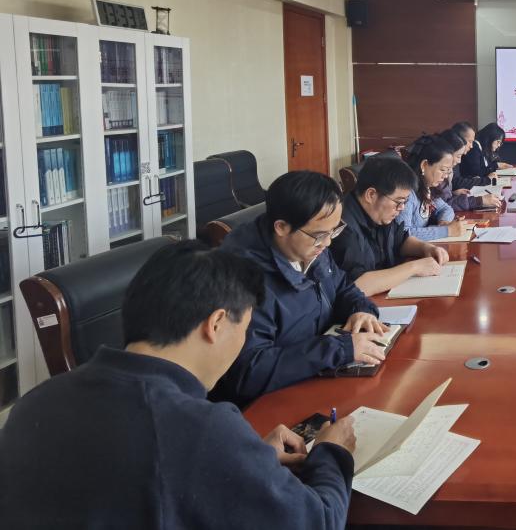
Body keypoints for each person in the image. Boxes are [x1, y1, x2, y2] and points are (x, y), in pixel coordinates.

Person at [0, 241, 358, 530]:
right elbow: (318, 521)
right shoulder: (200, 429)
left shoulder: (32, 404)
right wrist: (331, 452)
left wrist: (245, 460)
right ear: (216, 324)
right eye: (245, 329)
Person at [216, 170, 389, 405]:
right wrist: (337, 350)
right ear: (281, 227)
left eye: (334, 231)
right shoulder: (243, 280)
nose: (328, 242)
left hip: (318, 377)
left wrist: (360, 310)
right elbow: (248, 372)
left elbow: (343, 287)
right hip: (271, 404)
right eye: (320, 235)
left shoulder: (310, 248)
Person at [331, 155, 452, 296]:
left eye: (405, 202)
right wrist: (414, 267)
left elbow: (400, 240)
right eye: (398, 202)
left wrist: (426, 248)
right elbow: (357, 285)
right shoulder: (343, 226)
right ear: (371, 195)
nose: (401, 208)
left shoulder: (379, 213)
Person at [398, 134, 464, 241]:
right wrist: (447, 231)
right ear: (424, 165)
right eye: (443, 170)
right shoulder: (407, 192)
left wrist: (444, 222)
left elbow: (446, 208)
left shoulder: (428, 187)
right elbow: (403, 234)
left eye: (447, 171)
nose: (445, 176)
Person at [436, 129, 503, 212]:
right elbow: (443, 206)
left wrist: (452, 194)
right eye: (470, 141)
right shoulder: (438, 177)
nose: (471, 146)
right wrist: (478, 200)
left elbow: (443, 202)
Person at [450, 121, 488, 189]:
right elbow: (456, 183)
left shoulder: (459, 155)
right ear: (459, 139)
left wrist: (473, 179)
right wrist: (484, 180)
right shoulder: (450, 155)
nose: (471, 146)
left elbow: (459, 177)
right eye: (470, 141)